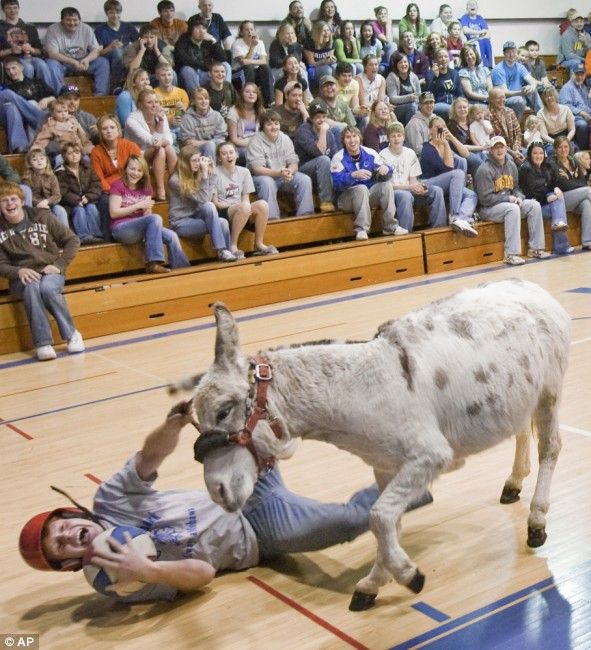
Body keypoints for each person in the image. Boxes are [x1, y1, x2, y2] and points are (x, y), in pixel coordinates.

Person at [21, 404, 430, 603]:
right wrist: (146, 569)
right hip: (258, 532)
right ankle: (414, 484)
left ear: (73, 513)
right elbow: (201, 575)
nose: (69, 535)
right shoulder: (115, 584)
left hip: (238, 490)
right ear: (67, 565)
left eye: (61, 525)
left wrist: (172, 425)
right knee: (347, 523)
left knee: (248, 417)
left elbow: (150, 458)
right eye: (61, 545)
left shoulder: (109, 500)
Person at [0, 182, 84, 361]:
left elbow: (72, 240)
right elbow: (1, 264)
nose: (9, 204)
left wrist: (59, 265)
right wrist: (18, 271)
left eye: (13, 199)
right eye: (4, 200)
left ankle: (72, 334)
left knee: (46, 288)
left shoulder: (42, 216)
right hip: (21, 277)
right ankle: (43, 343)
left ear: (22, 201)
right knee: (31, 287)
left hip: (49, 271)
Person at [474, 135, 549, 265]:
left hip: (508, 204)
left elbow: (516, 188)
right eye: (495, 147)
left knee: (534, 205)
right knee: (513, 209)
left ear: (506, 148)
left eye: (501, 147)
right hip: (488, 209)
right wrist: (508, 198)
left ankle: (536, 248)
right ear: (490, 150)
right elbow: (484, 199)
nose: (499, 150)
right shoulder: (484, 170)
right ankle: (511, 254)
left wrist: (519, 197)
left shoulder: (511, 165)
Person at [109, 154, 190, 273]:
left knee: (171, 235)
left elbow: (148, 217)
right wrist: (138, 205)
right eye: (132, 169)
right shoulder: (118, 185)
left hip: (141, 228)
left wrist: (146, 210)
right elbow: (113, 213)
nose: (135, 173)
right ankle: (153, 263)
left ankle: (182, 269)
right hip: (121, 229)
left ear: (143, 173)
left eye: (139, 170)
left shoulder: (146, 187)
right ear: (125, 169)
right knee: (155, 218)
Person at [330, 125, 406, 240]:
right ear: (343, 141)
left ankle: (390, 226)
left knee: (386, 185)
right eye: (348, 137)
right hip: (345, 199)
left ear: (359, 138)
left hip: (367, 196)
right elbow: (336, 184)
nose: (352, 140)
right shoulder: (338, 157)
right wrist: (352, 175)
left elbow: (387, 169)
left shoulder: (370, 153)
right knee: (361, 188)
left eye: (354, 136)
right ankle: (362, 229)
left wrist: (385, 169)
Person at [167, 146, 235, 262]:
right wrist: (204, 176)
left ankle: (225, 254)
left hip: (197, 215)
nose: (198, 164)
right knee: (220, 222)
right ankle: (221, 249)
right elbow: (203, 198)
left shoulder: (196, 173)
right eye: (194, 161)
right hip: (181, 222)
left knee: (221, 220)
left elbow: (207, 200)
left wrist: (211, 174)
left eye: (199, 160)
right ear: (184, 162)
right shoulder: (175, 180)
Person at [379, 121, 446, 232]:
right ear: (388, 139)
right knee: (405, 196)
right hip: (394, 192)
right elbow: (387, 186)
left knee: (436, 190)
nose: (396, 139)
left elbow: (413, 180)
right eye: (393, 136)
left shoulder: (410, 153)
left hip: (409, 188)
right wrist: (410, 187)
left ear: (404, 137)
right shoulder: (382, 155)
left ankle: (439, 229)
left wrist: (417, 188)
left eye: (399, 135)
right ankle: (407, 234)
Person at [246, 109, 314, 219]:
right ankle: (272, 219)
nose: (274, 127)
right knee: (267, 182)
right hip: (261, 178)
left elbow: (294, 162)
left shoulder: (285, 138)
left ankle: (305, 215)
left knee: (304, 179)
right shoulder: (255, 141)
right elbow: (257, 169)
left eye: (276, 123)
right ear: (262, 127)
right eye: (269, 124)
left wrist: (289, 172)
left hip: (281, 176)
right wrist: (279, 172)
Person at [214, 141, 278, 257]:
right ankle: (233, 245)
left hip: (241, 208)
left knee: (262, 205)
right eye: (224, 154)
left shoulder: (244, 172)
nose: (228, 156)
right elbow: (215, 203)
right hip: (223, 210)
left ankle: (259, 243)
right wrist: (235, 205)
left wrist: (242, 207)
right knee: (244, 206)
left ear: (237, 155)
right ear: (219, 158)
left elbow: (245, 199)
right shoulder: (214, 173)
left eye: (231, 152)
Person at [420, 114, 478, 237]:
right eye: (437, 128)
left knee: (471, 194)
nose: (440, 130)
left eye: (443, 127)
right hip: (428, 183)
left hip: (446, 183)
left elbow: (466, 154)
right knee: (457, 173)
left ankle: (462, 219)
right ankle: (455, 215)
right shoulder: (427, 149)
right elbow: (447, 169)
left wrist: (451, 137)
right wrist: (446, 145)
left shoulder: (446, 143)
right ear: (430, 130)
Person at [90, 114, 141, 241]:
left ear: (118, 130)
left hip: (131, 187)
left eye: (112, 127)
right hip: (108, 191)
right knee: (105, 202)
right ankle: (108, 241)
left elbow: (140, 170)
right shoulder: (96, 152)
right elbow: (98, 178)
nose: (109, 131)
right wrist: (114, 193)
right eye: (105, 128)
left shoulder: (131, 146)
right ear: (100, 132)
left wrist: (127, 190)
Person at [518, 142, 573, 254]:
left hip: (546, 205)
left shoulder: (546, 166)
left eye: (541, 153)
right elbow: (528, 193)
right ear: (530, 154)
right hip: (535, 207)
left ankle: (558, 223)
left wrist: (556, 188)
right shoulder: (525, 169)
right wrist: (546, 199)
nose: (539, 156)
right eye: (535, 153)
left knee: (558, 197)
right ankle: (561, 245)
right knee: (557, 201)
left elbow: (553, 182)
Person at [124, 88, 177, 201]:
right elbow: (153, 142)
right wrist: (160, 125)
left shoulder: (160, 116)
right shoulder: (132, 121)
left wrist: (162, 122)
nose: (154, 105)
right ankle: (160, 189)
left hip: (154, 151)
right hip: (136, 155)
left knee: (169, 149)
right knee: (161, 150)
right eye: (150, 102)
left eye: (156, 102)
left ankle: (174, 186)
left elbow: (169, 139)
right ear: (141, 105)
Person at [44, 7, 109, 96]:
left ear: (80, 20)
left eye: (75, 20)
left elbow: (96, 50)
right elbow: (52, 54)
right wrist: (73, 62)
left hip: (83, 62)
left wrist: (87, 60)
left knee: (102, 62)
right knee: (51, 63)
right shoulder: (53, 29)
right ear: (62, 21)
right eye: (68, 20)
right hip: (62, 63)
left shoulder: (86, 29)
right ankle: (60, 95)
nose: (72, 23)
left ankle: (100, 95)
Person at [0, 0, 62, 93]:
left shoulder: (30, 27)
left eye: (15, 8)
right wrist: (11, 50)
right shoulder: (1, 27)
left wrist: (31, 49)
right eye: (9, 8)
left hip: (30, 57)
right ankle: (28, 95)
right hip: (11, 59)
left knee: (42, 65)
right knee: (28, 68)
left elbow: (41, 51)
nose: (12, 11)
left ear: (18, 8)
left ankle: (50, 95)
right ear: (3, 10)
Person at [0, 56, 53, 153]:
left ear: (22, 67)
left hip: (38, 112)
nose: (11, 72)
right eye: (7, 70)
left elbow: (54, 96)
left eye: (13, 68)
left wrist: (47, 99)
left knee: (31, 103)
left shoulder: (37, 81)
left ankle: (24, 146)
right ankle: (39, 118)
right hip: (19, 118)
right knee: (6, 95)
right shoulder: (8, 87)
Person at [293, 99, 337, 213]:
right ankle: (326, 202)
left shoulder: (330, 134)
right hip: (302, 170)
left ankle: (339, 201)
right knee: (323, 160)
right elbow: (320, 152)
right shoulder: (303, 130)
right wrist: (323, 132)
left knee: (334, 166)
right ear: (311, 118)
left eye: (323, 116)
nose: (321, 120)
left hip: (322, 173)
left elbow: (335, 157)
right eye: (318, 117)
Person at [56, 142, 104, 245]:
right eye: (70, 153)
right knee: (79, 210)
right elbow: (63, 191)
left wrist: (88, 197)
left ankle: (96, 235)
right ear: (64, 156)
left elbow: (96, 185)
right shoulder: (61, 172)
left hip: (88, 200)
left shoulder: (88, 168)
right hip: (71, 204)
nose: (74, 155)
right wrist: (77, 200)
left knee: (91, 207)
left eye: (76, 152)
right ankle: (84, 236)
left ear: (81, 154)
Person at [548, 135, 591, 250]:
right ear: (555, 149)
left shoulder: (573, 160)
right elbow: (562, 185)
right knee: (588, 191)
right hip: (561, 200)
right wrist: (573, 183)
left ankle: (587, 241)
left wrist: (570, 181)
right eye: (560, 147)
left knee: (587, 204)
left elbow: (582, 181)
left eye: (566, 146)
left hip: (576, 198)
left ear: (569, 147)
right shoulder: (551, 163)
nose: (563, 150)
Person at [174, 16, 230, 96]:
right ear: (191, 30)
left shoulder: (208, 41)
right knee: (187, 70)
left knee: (226, 65)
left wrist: (214, 41)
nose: (201, 31)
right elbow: (184, 60)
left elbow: (223, 58)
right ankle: (197, 99)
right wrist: (207, 67)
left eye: (204, 28)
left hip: (207, 72)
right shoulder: (182, 41)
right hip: (190, 75)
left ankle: (225, 95)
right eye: (197, 28)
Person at [33, 97, 92, 168]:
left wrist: (87, 146)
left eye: (65, 111)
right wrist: (36, 149)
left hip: (78, 150)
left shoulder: (73, 121)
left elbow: (82, 135)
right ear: (52, 113)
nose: (63, 114)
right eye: (59, 112)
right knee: (58, 161)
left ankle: (85, 174)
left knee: (86, 160)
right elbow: (42, 139)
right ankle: (58, 172)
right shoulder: (50, 125)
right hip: (63, 152)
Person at [94, 0, 139, 92]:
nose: (115, 15)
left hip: (127, 55)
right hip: (109, 57)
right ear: (106, 13)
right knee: (117, 51)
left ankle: (131, 85)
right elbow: (98, 52)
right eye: (111, 13)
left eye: (117, 12)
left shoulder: (128, 27)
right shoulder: (100, 30)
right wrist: (110, 47)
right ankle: (116, 86)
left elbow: (138, 43)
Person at [491, 41, 541, 120]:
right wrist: (520, 92)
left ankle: (542, 119)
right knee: (519, 101)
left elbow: (532, 80)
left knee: (533, 91)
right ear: (504, 54)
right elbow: (504, 92)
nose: (511, 54)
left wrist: (531, 87)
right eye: (508, 52)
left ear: (516, 53)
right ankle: (515, 128)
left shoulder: (520, 66)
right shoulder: (498, 69)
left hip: (519, 95)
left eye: (513, 51)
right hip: (505, 99)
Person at [21, 147, 68, 229]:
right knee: (42, 212)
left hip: (50, 204)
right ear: (30, 163)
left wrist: (46, 201)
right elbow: (27, 197)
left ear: (46, 161)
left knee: (60, 210)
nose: (39, 161)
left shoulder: (52, 176)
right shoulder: (27, 178)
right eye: (35, 159)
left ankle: (65, 236)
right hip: (34, 206)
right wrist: (40, 203)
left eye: (42, 158)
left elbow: (57, 195)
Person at [231, 21, 274, 107]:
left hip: (254, 71)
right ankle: (249, 99)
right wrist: (252, 47)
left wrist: (248, 61)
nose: (250, 32)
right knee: (248, 67)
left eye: (251, 29)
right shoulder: (237, 43)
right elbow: (243, 63)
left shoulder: (260, 42)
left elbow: (263, 61)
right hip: (239, 73)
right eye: (247, 30)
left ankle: (269, 102)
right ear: (241, 32)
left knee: (265, 68)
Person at [178, 87, 226, 158]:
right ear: (193, 101)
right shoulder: (187, 118)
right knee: (210, 145)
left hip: (215, 147)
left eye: (206, 98)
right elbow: (189, 143)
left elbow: (221, 138)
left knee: (220, 145)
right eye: (200, 99)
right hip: (195, 151)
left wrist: (203, 142)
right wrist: (208, 143)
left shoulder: (217, 115)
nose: (204, 101)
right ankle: (210, 168)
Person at [447, 96, 486, 176]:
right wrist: (482, 147)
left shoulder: (473, 122)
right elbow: (461, 146)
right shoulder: (452, 125)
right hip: (461, 154)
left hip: (477, 150)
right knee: (479, 163)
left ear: (468, 108)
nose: (462, 110)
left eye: (464, 107)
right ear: (454, 110)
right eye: (459, 107)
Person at [226, 82, 264, 165]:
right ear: (242, 94)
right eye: (247, 92)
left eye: (254, 92)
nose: (251, 94)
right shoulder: (233, 112)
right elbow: (234, 139)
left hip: (257, 144)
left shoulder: (260, 111)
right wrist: (254, 142)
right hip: (240, 146)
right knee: (249, 153)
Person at [559, 64, 591, 152]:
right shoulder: (567, 88)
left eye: (582, 74)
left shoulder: (583, 87)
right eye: (577, 74)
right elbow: (566, 106)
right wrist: (583, 113)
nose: (580, 77)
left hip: (587, 116)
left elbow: (587, 104)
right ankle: (582, 152)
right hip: (573, 118)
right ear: (572, 74)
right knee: (582, 125)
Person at [488, 87, 524, 165]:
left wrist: (516, 149)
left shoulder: (510, 111)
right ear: (491, 99)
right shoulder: (487, 116)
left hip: (514, 149)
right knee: (510, 160)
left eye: (503, 97)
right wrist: (513, 153)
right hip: (499, 150)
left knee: (529, 154)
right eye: (498, 98)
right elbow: (493, 139)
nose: (502, 100)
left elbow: (518, 132)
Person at [536, 86, 576, 152]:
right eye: (546, 96)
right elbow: (544, 135)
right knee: (552, 151)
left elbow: (572, 129)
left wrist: (566, 141)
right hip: (551, 140)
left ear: (555, 96)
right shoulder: (540, 113)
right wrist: (556, 142)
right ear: (543, 99)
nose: (549, 98)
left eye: (551, 95)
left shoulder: (566, 109)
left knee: (572, 149)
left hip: (566, 137)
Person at [425, 47, 460, 119]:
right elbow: (429, 94)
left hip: (454, 103)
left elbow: (460, 92)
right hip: (439, 103)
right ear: (435, 60)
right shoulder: (430, 74)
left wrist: (462, 103)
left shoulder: (454, 73)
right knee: (453, 110)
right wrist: (435, 77)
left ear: (449, 59)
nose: (443, 59)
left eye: (446, 56)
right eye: (440, 57)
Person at [385, 52, 420, 126]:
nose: (403, 64)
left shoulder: (414, 76)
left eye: (405, 62)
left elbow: (419, 94)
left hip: (414, 105)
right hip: (397, 108)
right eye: (400, 62)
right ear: (396, 65)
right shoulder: (392, 77)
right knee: (412, 107)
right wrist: (409, 97)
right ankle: (409, 131)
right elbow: (392, 98)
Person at [317, 73, 355, 140]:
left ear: (336, 87)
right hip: (324, 138)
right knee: (339, 128)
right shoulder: (317, 103)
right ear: (321, 90)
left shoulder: (342, 103)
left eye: (331, 85)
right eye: (325, 86)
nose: (329, 87)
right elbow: (322, 121)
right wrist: (342, 126)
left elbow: (352, 125)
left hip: (344, 137)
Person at [303, 20, 337, 91]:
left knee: (335, 67)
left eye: (328, 30)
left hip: (326, 65)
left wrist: (332, 60)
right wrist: (322, 62)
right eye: (324, 31)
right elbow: (311, 63)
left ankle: (336, 91)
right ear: (317, 32)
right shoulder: (309, 43)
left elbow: (330, 58)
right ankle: (325, 92)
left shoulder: (331, 43)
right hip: (313, 69)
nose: (327, 33)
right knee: (327, 69)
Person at [459, 0, 492, 68]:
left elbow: (488, 33)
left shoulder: (480, 18)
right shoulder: (465, 17)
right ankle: (482, 64)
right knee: (480, 41)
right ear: (467, 8)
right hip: (471, 42)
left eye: (474, 4)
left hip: (481, 40)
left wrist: (483, 36)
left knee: (487, 41)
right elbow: (465, 30)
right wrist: (480, 32)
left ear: (477, 7)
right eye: (470, 5)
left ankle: (491, 65)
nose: (472, 6)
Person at [404, 90, 435, 156]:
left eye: (431, 102)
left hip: (434, 153)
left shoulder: (435, 118)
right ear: (420, 105)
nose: (429, 105)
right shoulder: (414, 124)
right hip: (420, 159)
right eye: (426, 103)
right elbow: (417, 150)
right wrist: (436, 147)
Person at [369, 6, 395, 71]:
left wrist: (387, 25)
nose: (383, 16)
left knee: (393, 45)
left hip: (385, 52)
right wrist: (388, 24)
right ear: (376, 16)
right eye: (380, 14)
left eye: (385, 14)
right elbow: (388, 41)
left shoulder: (387, 25)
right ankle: (392, 69)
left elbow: (390, 42)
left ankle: (392, 68)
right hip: (376, 53)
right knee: (392, 45)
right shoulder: (373, 25)